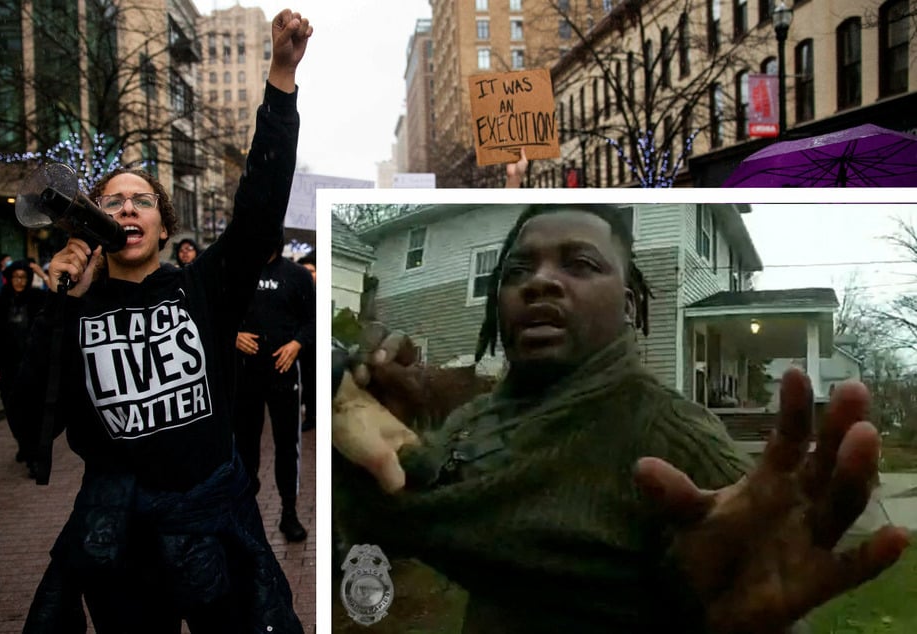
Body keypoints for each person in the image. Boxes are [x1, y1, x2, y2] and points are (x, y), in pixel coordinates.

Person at [331, 204, 909, 633]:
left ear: (630, 304)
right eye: (515, 271)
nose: (540, 282)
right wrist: (378, 429)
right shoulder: (478, 419)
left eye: (581, 264)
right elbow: (404, 528)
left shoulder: (674, 442)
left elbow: (760, 594)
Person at [15, 9, 311, 633]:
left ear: (163, 223)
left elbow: (258, 212)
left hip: (211, 524)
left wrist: (281, 79)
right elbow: (28, 412)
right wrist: (61, 301)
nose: (126, 207)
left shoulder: (202, 286)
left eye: (140, 200)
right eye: (113, 201)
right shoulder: (77, 305)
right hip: (120, 540)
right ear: (93, 221)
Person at [234, 245, 315, 542]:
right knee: (244, 447)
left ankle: (289, 513)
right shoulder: (235, 270)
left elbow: (312, 320)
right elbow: (213, 312)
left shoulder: (296, 275)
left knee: (287, 446)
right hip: (244, 376)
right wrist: (233, 334)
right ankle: (244, 513)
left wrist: (297, 344)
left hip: (283, 374)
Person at [0, 259, 48, 476]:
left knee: (33, 411)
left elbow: (60, 298)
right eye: (15, 277)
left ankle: (34, 458)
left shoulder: (37, 298)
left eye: (24, 277)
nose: (19, 281)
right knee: (12, 410)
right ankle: (23, 444)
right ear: (9, 279)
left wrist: (42, 273)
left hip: (33, 365)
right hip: (9, 366)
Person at [296, 250, 316, 432]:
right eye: (304, 271)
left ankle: (313, 415)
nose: (308, 275)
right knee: (306, 381)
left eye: (312, 271)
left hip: (316, 346)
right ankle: (309, 415)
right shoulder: (296, 294)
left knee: (314, 382)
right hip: (301, 345)